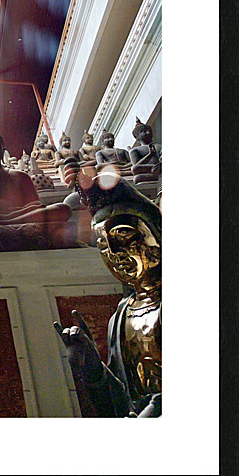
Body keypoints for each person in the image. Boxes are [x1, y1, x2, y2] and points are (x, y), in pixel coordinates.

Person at [54, 174, 161, 417]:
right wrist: (92, 367)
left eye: (123, 235)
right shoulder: (121, 317)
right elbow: (121, 401)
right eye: (102, 243)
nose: (114, 253)